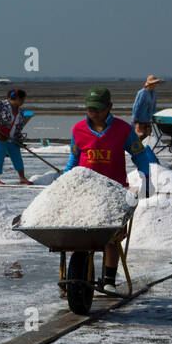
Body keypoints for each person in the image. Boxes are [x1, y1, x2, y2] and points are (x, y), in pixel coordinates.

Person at [63, 86, 158, 288]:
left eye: (98, 109)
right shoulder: (78, 130)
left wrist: (147, 178)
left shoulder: (123, 130)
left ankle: (109, 280)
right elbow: (74, 159)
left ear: (109, 107)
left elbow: (140, 155)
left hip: (114, 192)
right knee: (78, 236)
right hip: (85, 192)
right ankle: (77, 275)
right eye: (90, 108)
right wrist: (63, 180)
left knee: (111, 237)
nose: (93, 113)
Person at [0, 89, 32, 185]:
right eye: (22, 100)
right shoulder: (1, 105)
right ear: (17, 98)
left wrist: (19, 140)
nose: (23, 102)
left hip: (12, 137)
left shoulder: (20, 111)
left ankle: (22, 177)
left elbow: (19, 126)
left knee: (17, 156)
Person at [131, 75, 163, 142]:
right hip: (140, 119)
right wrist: (135, 117)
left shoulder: (154, 93)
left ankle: (146, 150)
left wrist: (154, 116)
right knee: (140, 135)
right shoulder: (142, 93)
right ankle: (138, 150)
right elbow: (137, 106)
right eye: (153, 84)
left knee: (148, 136)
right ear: (149, 84)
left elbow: (154, 106)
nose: (154, 86)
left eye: (155, 84)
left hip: (148, 119)